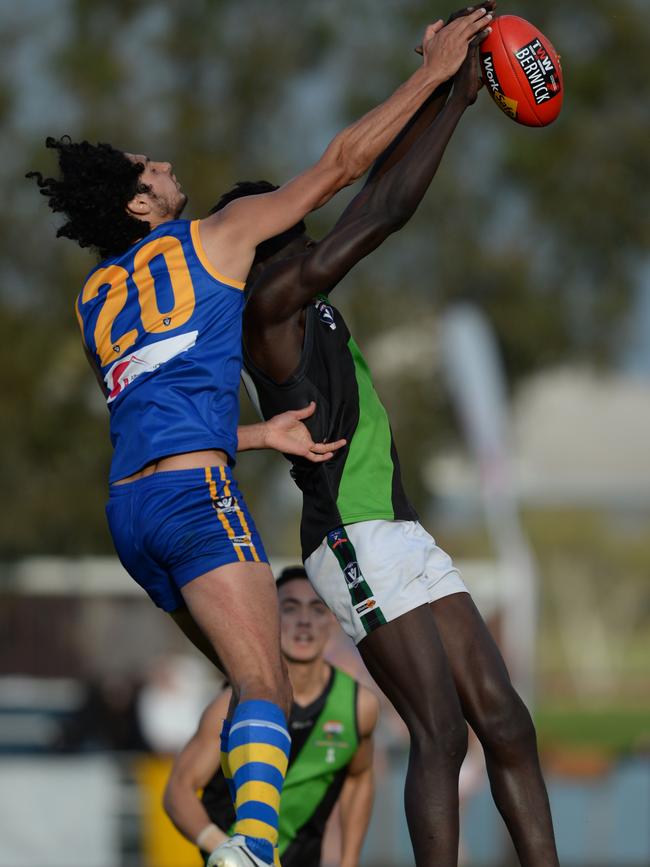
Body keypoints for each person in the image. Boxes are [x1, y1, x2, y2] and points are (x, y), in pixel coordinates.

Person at [26, 12, 492, 866]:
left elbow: (152, 414)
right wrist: (434, 76)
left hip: (132, 512)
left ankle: (227, 836)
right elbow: (344, 166)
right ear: (138, 203)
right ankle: (247, 849)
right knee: (267, 688)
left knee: (247, 691)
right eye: (150, 169)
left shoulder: (94, 298)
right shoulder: (215, 240)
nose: (166, 168)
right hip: (198, 503)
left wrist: (256, 431)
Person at [221, 11, 560, 867]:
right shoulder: (268, 309)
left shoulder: (307, 294)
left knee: (506, 720)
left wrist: (458, 93)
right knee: (440, 734)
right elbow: (385, 210)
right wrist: (451, 98)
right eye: (270, 210)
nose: (292, 208)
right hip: (352, 538)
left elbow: (371, 205)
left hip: (399, 533)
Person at [164, 566, 378, 867]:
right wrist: (231, 852)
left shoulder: (359, 706)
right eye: (289, 608)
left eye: (317, 609)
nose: (304, 621)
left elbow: (359, 778)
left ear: (333, 618)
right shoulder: (237, 702)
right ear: (269, 616)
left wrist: (349, 860)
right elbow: (178, 791)